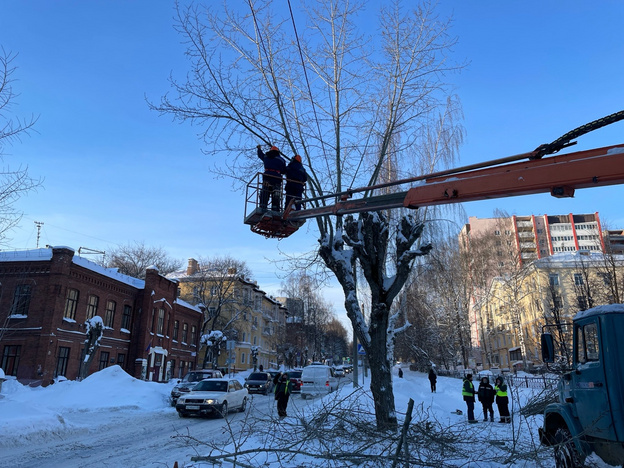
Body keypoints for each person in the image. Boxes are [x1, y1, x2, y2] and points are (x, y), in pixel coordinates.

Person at [257, 145, 286, 211]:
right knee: (276, 193)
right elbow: (284, 171)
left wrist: (259, 149)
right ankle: (275, 208)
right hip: (277, 178)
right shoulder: (281, 160)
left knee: (265, 191)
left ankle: (262, 206)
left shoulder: (266, 156)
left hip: (267, 176)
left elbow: (260, 155)